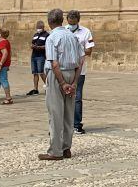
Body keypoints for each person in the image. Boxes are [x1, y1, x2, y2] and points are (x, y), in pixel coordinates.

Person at [40, 8, 83, 161]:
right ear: (62, 20)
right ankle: (66, 148)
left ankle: (55, 150)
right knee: (68, 113)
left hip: (58, 76)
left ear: (49, 21)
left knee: (56, 113)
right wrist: (75, 81)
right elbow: (81, 60)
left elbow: (55, 63)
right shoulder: (72, 36)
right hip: (72, 72)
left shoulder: (52, 38)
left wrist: (62, 83)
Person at [66, 11, 94, 134]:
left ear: (78, 21)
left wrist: (75, 50)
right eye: (70, 22)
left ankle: (76, 124)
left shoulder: (85, 32)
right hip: (65, 69)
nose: (71, 24)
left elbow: (89, 50)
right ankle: (64, 124)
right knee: (63, 97)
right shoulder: (63, 31)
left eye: (74, 22)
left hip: (79, 70)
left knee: (77, 97)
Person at [28, 21, 48, 96]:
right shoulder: (35, 35)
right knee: (35, 73)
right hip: (34, 55)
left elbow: (47, 46)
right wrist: (32, 46)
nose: (38, 29)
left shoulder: (47, 35)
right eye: (37, 28)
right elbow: (33, 43)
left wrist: (39, 47)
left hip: (41, 56)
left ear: (43, 27)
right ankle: (35, 89)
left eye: (39, 28)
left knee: (41, 72)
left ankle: (48, 87)